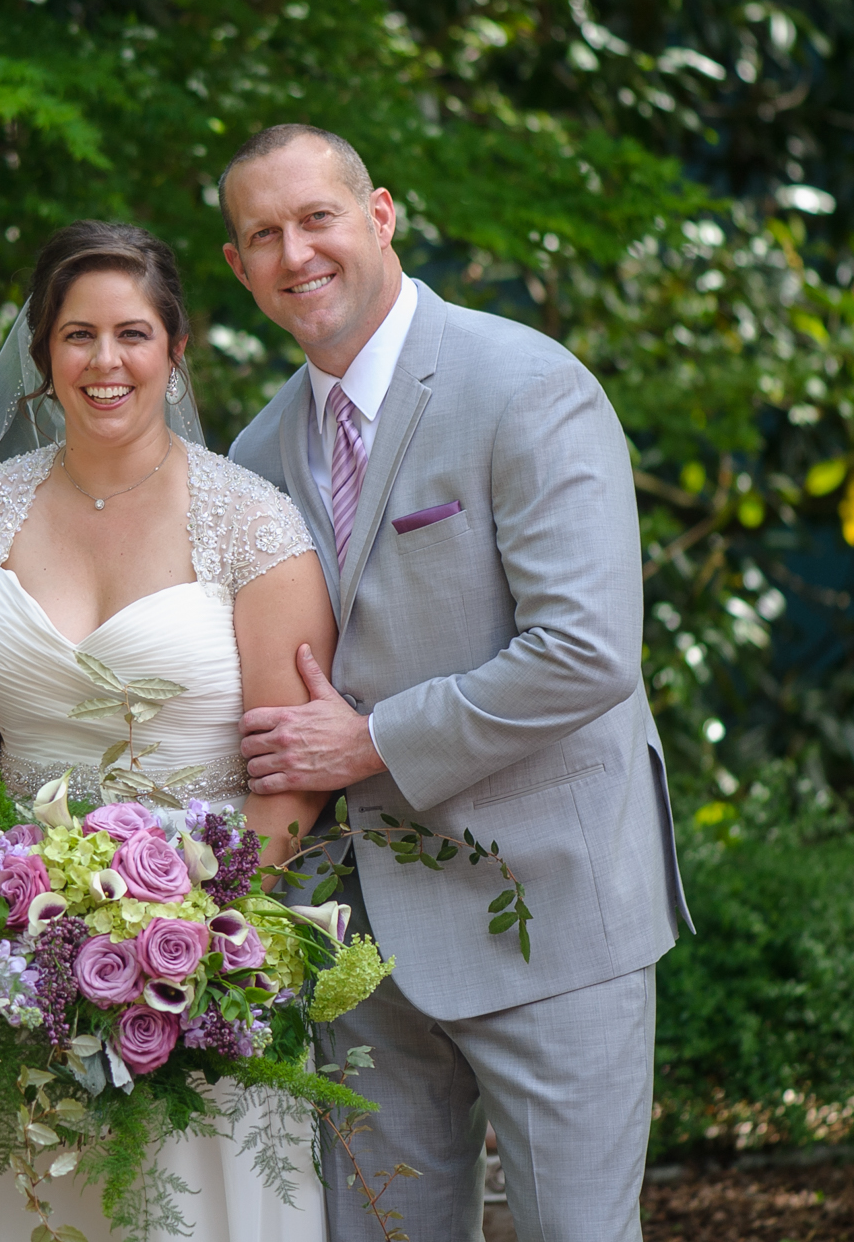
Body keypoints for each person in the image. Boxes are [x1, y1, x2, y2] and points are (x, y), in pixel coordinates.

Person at [219, 124, 693, 1242]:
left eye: (317, 218)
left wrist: (370, 741)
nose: (296, 254)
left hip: (551, 914)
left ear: (379, 214)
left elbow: (583, 650)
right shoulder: (253, 454)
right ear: (238, 269)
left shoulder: (525, 384)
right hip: (359, 947)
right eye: (262, 236)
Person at [0, 220, 339, 1242]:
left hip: (210, 959)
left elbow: (292, 768)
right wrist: (18, 934)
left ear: (175, 349)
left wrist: (206, 941)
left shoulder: (253, 522)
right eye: (76, 336)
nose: (104, 362)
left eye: (131, 334)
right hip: (21, 961)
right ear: (40, 352)